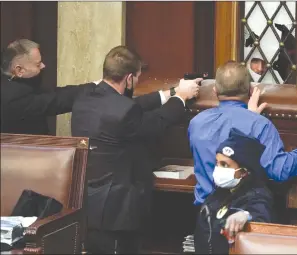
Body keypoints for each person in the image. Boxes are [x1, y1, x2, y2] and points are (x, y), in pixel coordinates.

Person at [71, 45, 200, 254]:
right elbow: (155, 123)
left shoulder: (86, 97)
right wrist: (181, 99)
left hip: (89, 199)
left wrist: (171, 92)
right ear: (129, 78)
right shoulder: (124, 111)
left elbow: (129, 105)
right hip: (117, 207)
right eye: (137, 77)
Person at [188, 61, 297, 208]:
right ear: (251, 91)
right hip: (242, 214)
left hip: (204, 214)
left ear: (215, 91)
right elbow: (280, 170)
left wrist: (249, 117)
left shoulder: (196, 123)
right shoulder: (259, 125)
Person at [194, 128, 274, 254]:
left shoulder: (258, 195)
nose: (218, 169)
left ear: (243, 172)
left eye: (225, 165)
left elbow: (261, 218)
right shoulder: (221, 192)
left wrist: (245, 216)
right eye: (217, 163)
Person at [1, 39, 96, 135]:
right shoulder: (15, 97)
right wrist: (94, 87)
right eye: (38, 64)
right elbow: (56, 101)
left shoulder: (13, 84)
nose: (43, 66)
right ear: (19, 70)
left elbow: (51, 93)